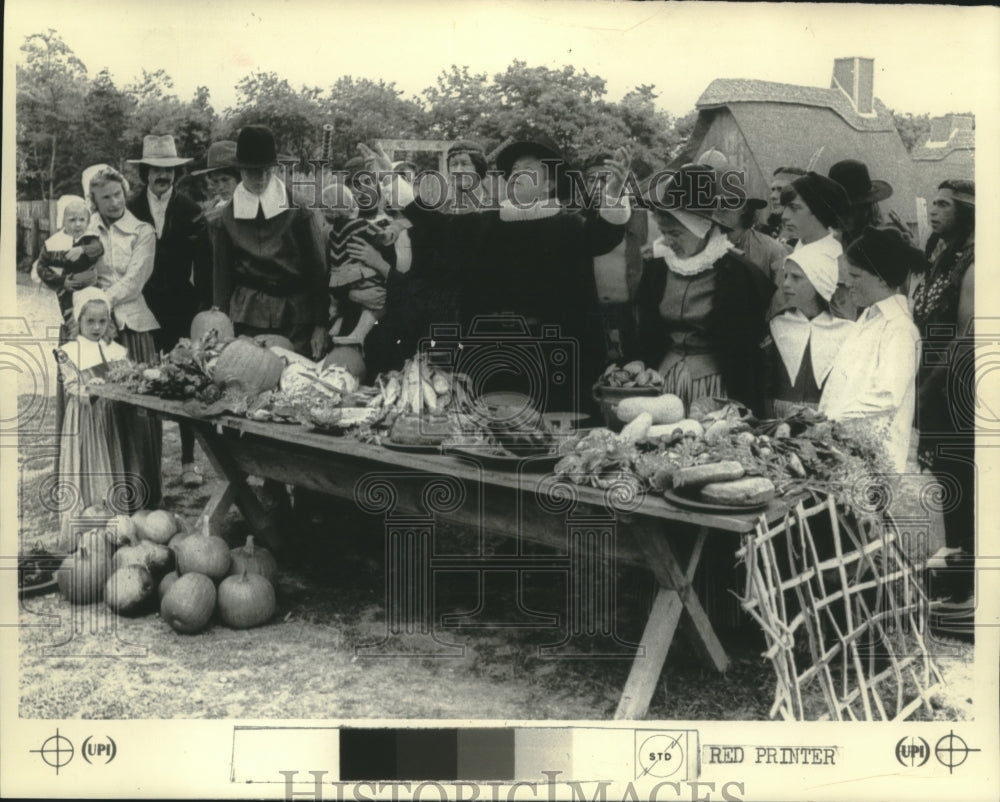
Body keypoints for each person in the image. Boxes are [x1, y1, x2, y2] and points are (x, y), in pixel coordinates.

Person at [365, 133, 629, 416]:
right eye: (513, 171)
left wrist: (613, 195)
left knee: (550, 435)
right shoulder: (487, 224)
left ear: (549, 183)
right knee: (492, 433)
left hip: (555, 363)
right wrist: (393, 179)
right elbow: (436, 225)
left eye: (527, 171)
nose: (516, 176)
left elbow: (605, 234)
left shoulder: (571, 225)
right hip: (493, 359)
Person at [635, 164, 774, 414]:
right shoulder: (657, 270)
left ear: (701, 226)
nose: (668, 241)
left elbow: (746, 353)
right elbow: (646, 332)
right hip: (663, 385)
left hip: (716, 389)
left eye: (675, 233)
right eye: (664, 232)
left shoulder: (739, 274)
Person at [127, 134, 212, 488]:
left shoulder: (191, 210)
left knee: (186, 381)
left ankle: (190, 461)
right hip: (141, 307)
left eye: (169, 170)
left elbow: (205, 264)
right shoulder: (130, 209)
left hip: (181, 307)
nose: (163, 176)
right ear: (146, 172)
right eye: (156, 170)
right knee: (145, 380)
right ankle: (148, 466)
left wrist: (206, 308)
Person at [83, 163, 164, 509]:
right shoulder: (85, 232)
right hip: (97, 331)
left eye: (118, 194)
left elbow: (135, 279)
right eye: (106, 198)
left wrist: (103, 300)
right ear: (94, 201)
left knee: (139, 415)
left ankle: (145, 499)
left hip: (133, 328)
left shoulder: (142, 231)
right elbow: (77, 271)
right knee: (105, 412)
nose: (114, 202)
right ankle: (111, 499)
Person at [210, 125, 328, 358]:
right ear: (240, 170)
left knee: (295, 378)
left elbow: (318, 270)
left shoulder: (299, 210)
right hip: (248, 314)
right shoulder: (224, 219)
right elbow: (221, 277)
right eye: (253, 171)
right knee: (250, 376)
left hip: (296, 313)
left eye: (266, 170)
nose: (261, 178)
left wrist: (321, 324)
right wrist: (220, 324)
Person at [911, 179, 975, 607]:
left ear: (967, 212)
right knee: (946, 477)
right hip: (932, 379)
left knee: (960, 479)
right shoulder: (941, 255)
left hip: (956, 386)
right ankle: (955, 572)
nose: (933, 211)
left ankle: (965, 584)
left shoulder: (974, 260)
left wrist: (927, 384)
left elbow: (965, 333)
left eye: (944, 205)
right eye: (932, 203)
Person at [819, 227, 923, 474]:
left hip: (872, 459)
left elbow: (887, 394)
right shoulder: (868, 317)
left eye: (855, 276)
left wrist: (832, 420)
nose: (848, 284)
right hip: (844, 449)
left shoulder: (899, 328)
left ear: (880, 278)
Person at [54, 288, 137, 548]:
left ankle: (111, 527)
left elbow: (126, 383)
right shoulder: (68, 351)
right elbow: (71, 386)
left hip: (107, 418)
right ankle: (86, 530)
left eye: (103, 321)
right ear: (78, 321)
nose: (97, 327)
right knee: (86, 465)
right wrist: (91, 388)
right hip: (83, 418)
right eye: (90, 321)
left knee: (109, 461)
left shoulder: (116, 351)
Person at [760, 246, 853, 417]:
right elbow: (765, 382)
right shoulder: (776, 325)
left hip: (825, 419)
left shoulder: (847, 331)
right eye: (785, 276)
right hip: (780, 418)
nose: (785, 283)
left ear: (820, 281)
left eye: (796, 277)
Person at [580, 150, 649, 362]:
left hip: (630, 315)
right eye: (592, 179)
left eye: (606, 178)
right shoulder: (576, 219)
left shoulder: (640, 217)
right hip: (588, 314)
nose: (599, 185)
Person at [320, 182, 395, 343]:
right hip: (359, 281)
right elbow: (379, 236)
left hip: (340, 279)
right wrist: (386, 237)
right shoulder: (360, 225)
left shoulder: (333, 231)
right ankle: (357, 334)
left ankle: (338, 321)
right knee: (377, 300)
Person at [778, 172, 857, 321]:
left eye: (794, 207)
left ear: (819, 211)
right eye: (785, 208)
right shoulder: (795, 249)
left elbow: (843, 325)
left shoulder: (835, 264)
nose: (784, 216)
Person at [192, 140, 240, 211]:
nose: (220, 187)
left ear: (239, 178)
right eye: (215, 181)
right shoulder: (214, 207)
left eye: (225, 179)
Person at [762, 166, 806, 238]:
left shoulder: (808, 233)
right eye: (773, 190)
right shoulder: (769, 230)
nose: (772, 196)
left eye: (780, 190)